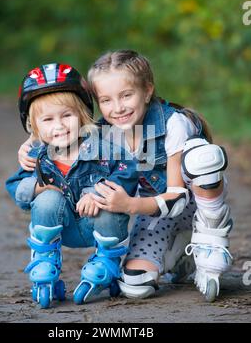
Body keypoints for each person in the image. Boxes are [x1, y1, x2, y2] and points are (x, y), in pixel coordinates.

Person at [18, 51, 233, 303]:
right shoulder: (104, 133)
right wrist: (31, 146)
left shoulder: (174, 124)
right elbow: (61, 136)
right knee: (135, 285)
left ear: (147, 90)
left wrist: (130, 205)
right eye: (106, 100)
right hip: (155, 214)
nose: (117, 108)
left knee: (203, 157)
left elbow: (177, 196)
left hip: (191, 204)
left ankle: (210, 237)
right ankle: (179, 255)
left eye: (127, 95)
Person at [5, 62, 139, 308]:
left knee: (111, 200)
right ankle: (45, 260)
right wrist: (37, 188)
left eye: (67, 115)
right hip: (60, 226)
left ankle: (106, 261)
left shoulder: (103, 147)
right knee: (46, 198)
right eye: (47, 119)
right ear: (34, 127)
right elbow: (14, 185)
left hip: (98, 222)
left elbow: (127, 170)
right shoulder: (36, 156)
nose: (59, 126)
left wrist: (98, 192)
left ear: (83, 114)